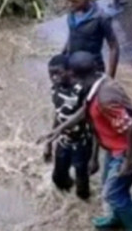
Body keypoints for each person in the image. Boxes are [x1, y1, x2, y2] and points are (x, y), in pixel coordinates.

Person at [43, 52, 132, 231]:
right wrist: (59, 129)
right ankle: (116, 219)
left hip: (126, 149)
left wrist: (129, 161)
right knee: (108, 186)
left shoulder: (105, 98)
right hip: (113, 145)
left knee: (113, 193)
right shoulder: (96, 83)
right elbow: (85, 110)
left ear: (76, 76)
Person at [45, 54, 96, 201]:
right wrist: (48, 143)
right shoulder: (55, 89)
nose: (54, 77)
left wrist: (94, 158)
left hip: (82, 144)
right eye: (51, 74)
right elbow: (58, 114)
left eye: (58, 73)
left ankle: (85, 206)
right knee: (58, 179)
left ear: (69, 71)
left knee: (82, 188)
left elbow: (93, 121)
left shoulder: (81, 89)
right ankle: (68, 206)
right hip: (63, 141)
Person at [63, 0, 119, 78]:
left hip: (93, 70)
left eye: (75, 1)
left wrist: (111, 76)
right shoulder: (71, 14)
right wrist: (62, 57)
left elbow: (114, 47)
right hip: (73, 67)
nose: (70, 5)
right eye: (68, 1)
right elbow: (71, 35)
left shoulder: (101, 18)